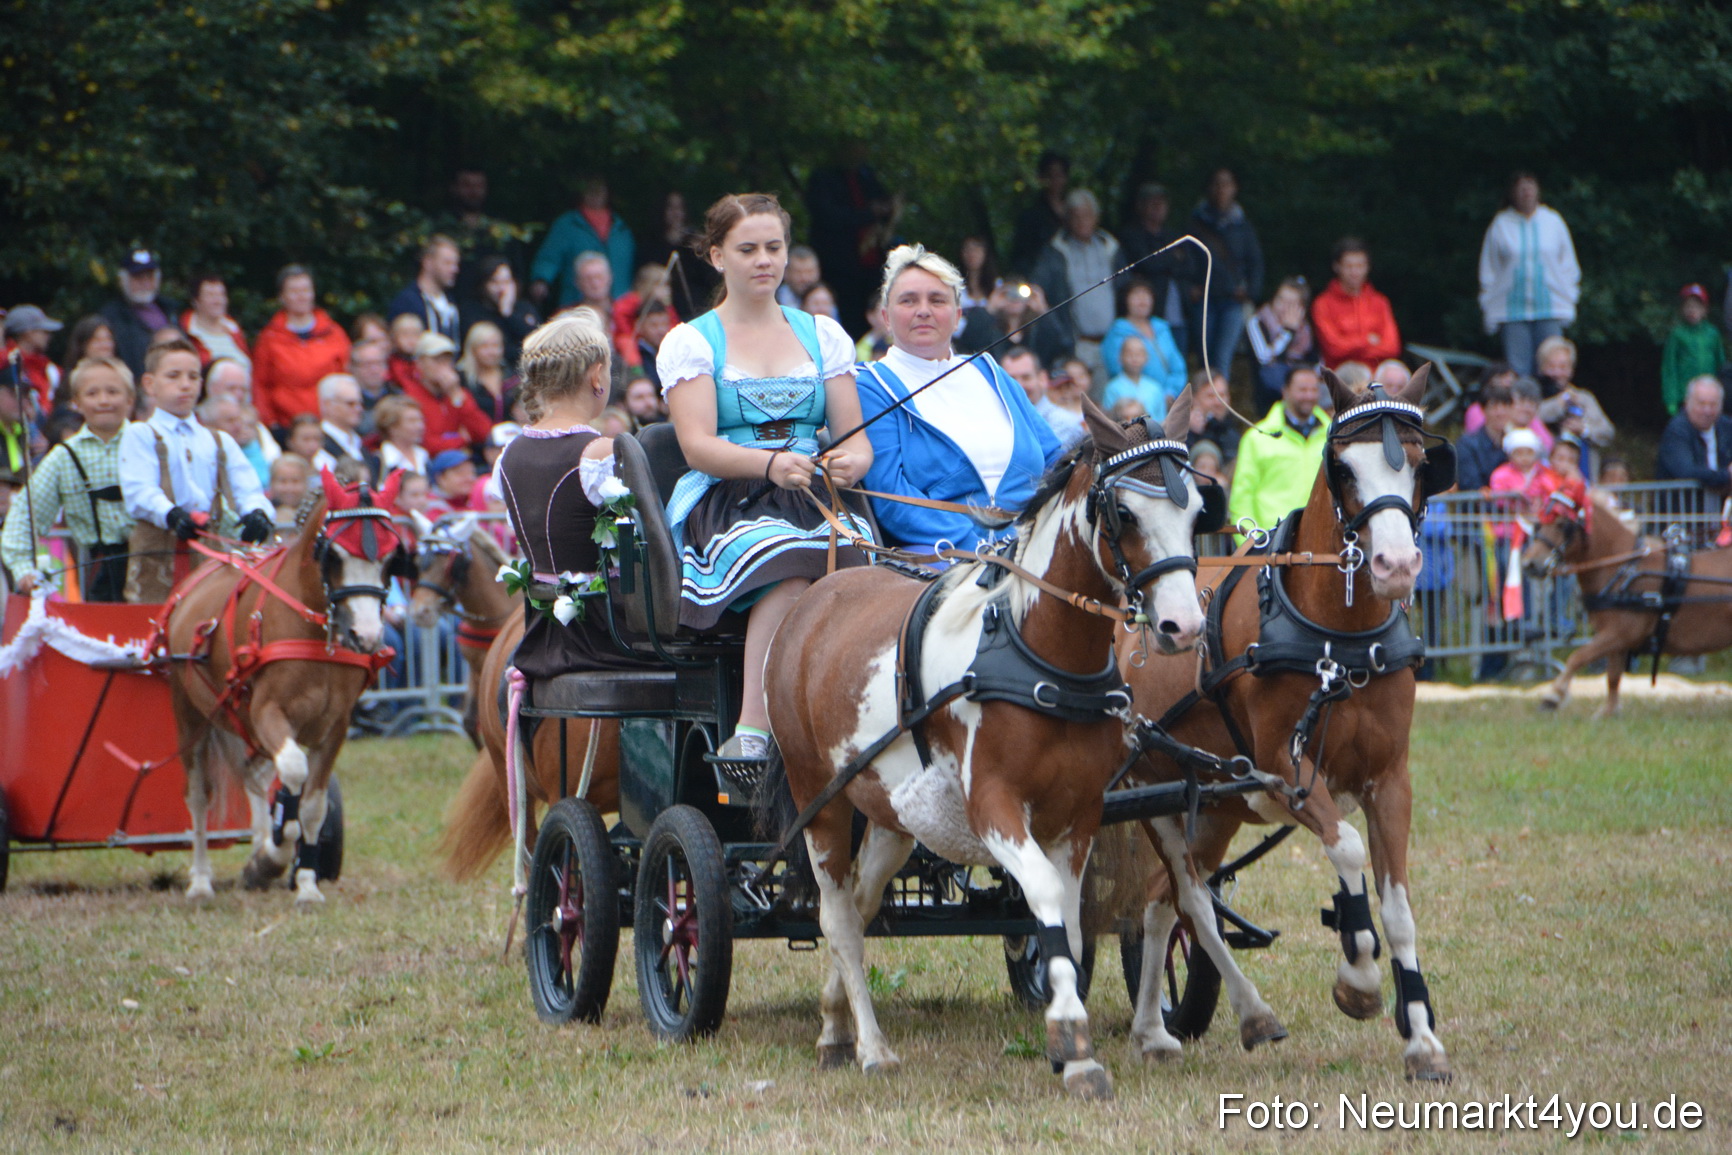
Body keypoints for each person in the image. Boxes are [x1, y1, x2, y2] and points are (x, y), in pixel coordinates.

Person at [658, 193, 876, 760]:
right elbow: (699, 446)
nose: (764, 260)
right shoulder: (693, 341)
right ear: (716, 256)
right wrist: (772, 463)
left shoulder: (822, 334)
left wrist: (852, 460)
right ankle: (754, 729)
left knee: (863, 575)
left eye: (774, 248)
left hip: (814, 494)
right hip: (731, 499)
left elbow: (852, 436)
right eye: (748, 249)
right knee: (787, 564)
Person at [855, 242, 1063, 555]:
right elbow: (890, 497)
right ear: (886, 316)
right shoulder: (871, 385)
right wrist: (980, 546)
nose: (923, 310)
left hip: (1039, 545)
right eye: (908, 300)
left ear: (957, 316)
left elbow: (1056, 459)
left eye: (937, 300)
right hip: (949, 556)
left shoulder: (990, 370)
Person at [495, 309, 660, 689]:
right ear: (595, 375)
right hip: (608, 633)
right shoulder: (600, 452)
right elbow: (644, 542)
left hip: (542, 627)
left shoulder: (509, 454)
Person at [118, 339, 273, 601]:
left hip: (208, 553)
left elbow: (247, 487)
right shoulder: (140, 433)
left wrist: (257, 512)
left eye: (193, 376)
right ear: (149, 384)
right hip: (158, 552)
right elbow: (139, 490)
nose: (185, 384)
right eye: (173, 376)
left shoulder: (218, 440)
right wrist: (170, 514)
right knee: (152, 620)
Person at [1, 356, 136, 601]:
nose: (103, 400)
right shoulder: (64, 457)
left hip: (154, 570)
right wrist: (24, 571)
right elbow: (23, 517)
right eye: (92, 393)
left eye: (113, 391)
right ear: (76, 402)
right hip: (98, 576)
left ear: (130, 399)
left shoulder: (151, 445)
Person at [1478, 172, 1580, 376]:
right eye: (1520, 186)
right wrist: (1488, 302)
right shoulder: (1501, 224)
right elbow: (1489, 268)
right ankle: (1522, 406)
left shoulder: (1553, 221)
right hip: (1512, 311)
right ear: (1513, 193)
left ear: (1538, 190)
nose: (1526, 191)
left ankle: (1552, 406)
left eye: (1530, 185)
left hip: (1550, 307)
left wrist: (1570, 296)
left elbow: (1568, 264)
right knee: (1518, 370)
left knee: (1553, 366)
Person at [806, 143, 901, 337]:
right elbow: (829, 217)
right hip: (841, 263)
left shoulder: (867, 176)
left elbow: (882, 205)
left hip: (872, 261)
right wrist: (868, 213)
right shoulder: (825, 179)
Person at [1227, 365, 1329, 531]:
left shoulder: (1333, 436)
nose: (1309, 396)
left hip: (1323, 538)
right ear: (1285, 391)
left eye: (1314, 389)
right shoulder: (1257, 437)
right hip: (1273, 543)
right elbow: (1241, 498)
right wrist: (1252, 543)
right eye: (1302, 390)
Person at [251, 264, 353, 432]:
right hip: (287, 427)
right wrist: (271, 424)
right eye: (294, 291)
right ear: (282, 297)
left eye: (306, 290)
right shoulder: (269, 338)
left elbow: (347, 378)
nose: (301, 296)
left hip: (330, 426)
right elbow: (260, 385)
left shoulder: (334, 333)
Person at [1032, 189, 1122, 375]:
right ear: (1067, 219)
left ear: (1096, 217)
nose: (1082, 221)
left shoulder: (1110, 248)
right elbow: (1040, 289)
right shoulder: (1056, 252)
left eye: (1087, 215)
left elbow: (1126, 289)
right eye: (1076, 216)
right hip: (1077, 343)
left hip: (1112, 341)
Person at [1188, 168, 1264, 375]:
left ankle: (1218, 404)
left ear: (1234, 188)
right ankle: (1205, 404)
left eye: (1226, 184)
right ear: (1208, 188)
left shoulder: (1243, 226)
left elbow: (1255, 262)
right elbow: (1185, 260)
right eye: (1217, 184)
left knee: (1223, 358)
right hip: (1204, 301)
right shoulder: (1195, 224)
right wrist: (1190, 288)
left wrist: (1250, 292)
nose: (1221, 189)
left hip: (1233, 299)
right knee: (1204, 358)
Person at [530, 177, 635, 310]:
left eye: (599, 189)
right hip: (575, 301)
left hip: (619, 305)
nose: (595, 193)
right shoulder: (567, 224)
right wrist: (541, 279)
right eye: (591, 189)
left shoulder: (621, 227)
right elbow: (549, 255)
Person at [1115, 182, 1194, 354]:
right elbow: (1148, 264)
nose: (1158, 207)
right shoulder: (1131, 235)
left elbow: (1189, 266)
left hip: (1178, 314)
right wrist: (1172, 259)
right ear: (1140, 206)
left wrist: (1163, 262)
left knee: (1178, 360)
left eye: (1162, 202)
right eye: (1153, 202)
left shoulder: (1174, 235)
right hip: (1149, 313)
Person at [1311, 237, 1401, 370]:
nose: (1355, 272)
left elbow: (1392, 347)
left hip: (1378, 373)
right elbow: (1334, 349)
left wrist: (1351, 345)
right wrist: (1367, 340)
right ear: (1337, 267)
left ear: (1368, 267)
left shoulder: (1380, 302)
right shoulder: (1323, 304)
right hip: (1341, 373)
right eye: (1349, 266)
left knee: (1397, 373)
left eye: (1360, 266)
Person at [954, 276, 1072, 372]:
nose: (1015, 299)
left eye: (1021, 293)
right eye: (1009, 294)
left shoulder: (1037, 329)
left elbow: (1062, 344)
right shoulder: (990, 328)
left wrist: (1043, 310)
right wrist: (989, 309)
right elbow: (969, 343)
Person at [402, 332, 490, 457]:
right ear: (419, 363)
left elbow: (484, 433)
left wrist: (456, 396)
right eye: (436, 360)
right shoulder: (410, 397)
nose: (443, 366)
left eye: (447, 360)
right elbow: (426, 445)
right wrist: (463, 439)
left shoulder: (458, 393)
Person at [100, 250, 180, 379]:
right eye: (137, 278)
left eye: (149, 277)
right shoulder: (111, 317)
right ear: (123, 281)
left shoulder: (171, 310)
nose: (144, 283)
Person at [1101, 277, 1186, 396]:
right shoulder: (1117, 331)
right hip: (1134, 399)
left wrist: (1170, 392)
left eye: (1147, 295)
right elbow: (1115, 370)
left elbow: (1177, 365)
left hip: (1167, 398)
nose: (1142, 301)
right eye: (1136, 296)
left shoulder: (1162, 327)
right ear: (1125, 300)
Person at [1245, 276, 1315, 415]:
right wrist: (1287, 332)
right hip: (1270, 386)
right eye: (1280, 299)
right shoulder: (1257, 321)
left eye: (1291, 303)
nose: (1282, 306)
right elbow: (1264, 357)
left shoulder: (1305, 329)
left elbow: (1313, 359)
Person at [1656, 375, 1732, 497]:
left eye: (1713, 405)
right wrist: (1726, 475)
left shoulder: (1726, 426)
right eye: (1701, 404)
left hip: (1719, 510)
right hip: (1682, 511)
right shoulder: (1676, 430)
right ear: (1687, 403)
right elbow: (1685, 471)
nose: (1707, 411)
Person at [1533, 335, 1614, 449]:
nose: (1557, 373)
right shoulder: (1532, 395)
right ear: (1541, 368)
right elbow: (1531, 417)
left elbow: (1607, 432)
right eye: (1551, 366)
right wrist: (1558, 404)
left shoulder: (1584, 397)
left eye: (1563, 367)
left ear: (1571, 370)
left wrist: (1584, 429)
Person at [460, 255, 540, 370]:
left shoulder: (524, 308)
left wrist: (508, 314)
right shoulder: (471, 311)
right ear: (483, 285)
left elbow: (537, 342)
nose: (502, 289)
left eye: (506, 282)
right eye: (495, 282)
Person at [1661, 284, 1725, 417]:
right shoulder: (1677, 335)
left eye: (1696, 307)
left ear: (1705, 310)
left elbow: (1721, 365)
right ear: (1682, 309)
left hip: (1709, 395)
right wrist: (1671, 400)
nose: (1692, 311)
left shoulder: (1712, 334)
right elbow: (1669, 368)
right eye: (1688, 306)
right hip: (1685, 397)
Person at [387, 235, 462, 345]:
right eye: (447, 263)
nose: (454, 269)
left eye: (456, 264)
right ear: (428, 262)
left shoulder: (451, 303)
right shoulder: (406, 302)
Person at [1010, 150, 1070, 274]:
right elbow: (1023, 254)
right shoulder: (1031, 216)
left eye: (1059, 175)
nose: (1055, 180)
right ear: (1042, 178)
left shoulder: (1075, 210)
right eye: (1051, 175)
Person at [309, 374, 374, 480]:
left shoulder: (360, 443)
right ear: (328, 405)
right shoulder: (318, 443)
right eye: (350, 404)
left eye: (360, 403)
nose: (359, 409)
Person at [179, 273, 250, 369]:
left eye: (221, 294)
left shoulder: (234, 330)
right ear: (196, 301)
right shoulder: (186, 334)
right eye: (210, 295)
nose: (218, 301)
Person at [3, 305, 64, 411]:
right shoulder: (5, 363)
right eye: (44, 331)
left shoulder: (50, 369)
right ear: (28, 332)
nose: (48, 336)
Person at [1457, 381, 1514, 492]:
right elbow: (1469, 483)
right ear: (1483, 410)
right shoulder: (1467, 444)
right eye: (1494, 406)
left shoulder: (1516, 442)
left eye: (1505, 406)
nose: (1500, 412)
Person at [458, 320, 517, 424]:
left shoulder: (512, 377)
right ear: (473, 349)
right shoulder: (462, 379)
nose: (491, 352)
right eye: (484, 346)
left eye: (496, 345)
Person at [1101, 336, 1171, 422]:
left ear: (1147, 357)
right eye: (1129, 354)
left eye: (1139, 354)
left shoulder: (1155, 388)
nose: (1134, 358)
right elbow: (1108, 420)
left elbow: (1161, 420)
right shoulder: (1112, 388)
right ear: (1120, 357)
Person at [1187, 369, 1241, 469]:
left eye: (1222, 395)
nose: (1218, 402)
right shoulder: (1180, 433)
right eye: (1210, 396)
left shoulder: (1232, 432)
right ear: (1194, 399)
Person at [374, 394, 430, 476]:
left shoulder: (423, 456)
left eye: (420, 420)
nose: (420, 427)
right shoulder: (379, 461)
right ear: (392, 427)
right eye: (412, 421)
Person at [424, 449, 478, 519]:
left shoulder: (475, 499)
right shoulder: (430, 506)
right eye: (460, 473)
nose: (468, 478)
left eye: (471, 472)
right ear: (441, 478)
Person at [268, 453, 312, 526]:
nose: (289, 488)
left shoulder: (314, 514)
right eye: (283, 481)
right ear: (272, 483)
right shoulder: (264, 511)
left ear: (306, 483)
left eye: (295, 481)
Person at [956, 236, 998, 311]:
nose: (972, 254)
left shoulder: (998, 286)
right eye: (967, 249)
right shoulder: (954, 285)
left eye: (977, 249)